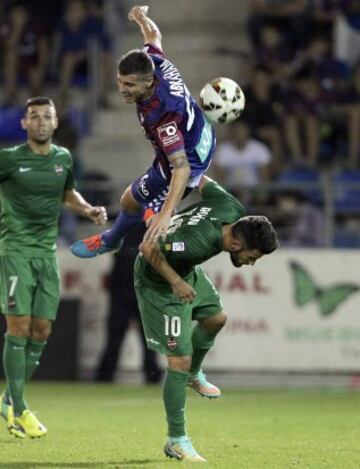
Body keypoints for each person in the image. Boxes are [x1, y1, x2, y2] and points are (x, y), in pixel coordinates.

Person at [134, 176, 279, 462]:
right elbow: (148, 249)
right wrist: (176, 282)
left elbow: (199, 177)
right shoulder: (195, 245)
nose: (252, 262)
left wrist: (186, 164)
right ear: (236, 244)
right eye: (253, 256)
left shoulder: (230, 206)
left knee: (216, 319)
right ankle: (176, 440)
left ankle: (192, 376)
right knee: (178, 359)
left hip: (185, 272)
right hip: (159, 283)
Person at [70, 4, 216, 258]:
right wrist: (141, 18)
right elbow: (153, 36)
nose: (122, 89)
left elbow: (181, 168)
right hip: (197, 133)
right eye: (119, 82)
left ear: (148, 82)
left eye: (129, 84)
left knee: (154, 241)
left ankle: (183, 256)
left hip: (189, 159)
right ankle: (111, 239)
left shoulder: (162, 116)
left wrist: (165, 215)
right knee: (129, 201)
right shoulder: (154, 62)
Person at [0, 96, 107, 439]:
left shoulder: (63, 159)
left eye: (47, 116)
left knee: (42, 330)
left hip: (47, 254)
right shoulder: (9, 159)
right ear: (24, 124)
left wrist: (88, 210)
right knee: (18, 326)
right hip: (15, 251)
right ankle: (20, 409)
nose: (41, 122)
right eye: (34, 116)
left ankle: (8, 400)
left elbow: (68, 194)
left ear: (56, 123)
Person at [95, 223, 162, 384]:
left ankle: (106, 374)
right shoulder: (143, 231)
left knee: (139, 338)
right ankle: (150, 374)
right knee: (132, 337)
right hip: (129, 291)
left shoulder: (123, 230)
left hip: (136, 292)